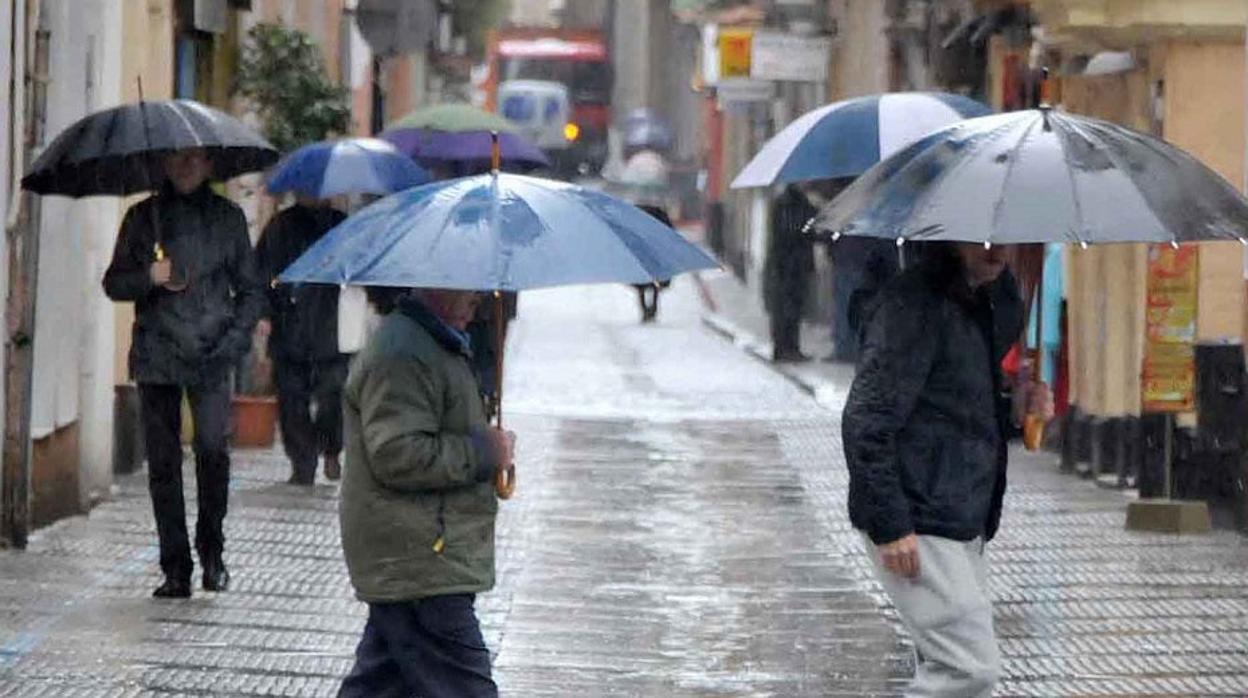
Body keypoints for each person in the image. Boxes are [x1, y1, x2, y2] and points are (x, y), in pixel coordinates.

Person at [841, 241, 1024, 697]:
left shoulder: (977, 301)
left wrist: (1015, 405)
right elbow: (866, 419)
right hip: (921, 514)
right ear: (949, 235)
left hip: (961, 513)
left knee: (962, 672)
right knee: (968, 669)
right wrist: (891, 524)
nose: (997, 248)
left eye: (1003, 235)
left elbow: (956, 407)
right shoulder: (914, 304)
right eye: (980, 234)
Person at [338, 288, 515, 698]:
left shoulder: (431, 344)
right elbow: (398, 454)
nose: (477, 299)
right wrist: (483, 450)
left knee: (381, 683)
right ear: (436, 281)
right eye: (467, 286)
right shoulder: (404, 354)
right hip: (422, 559)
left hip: (418, 558)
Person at [103, 148, 264, 598]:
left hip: (212, 355)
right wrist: (148, 277)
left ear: (210, 165)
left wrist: (232, 343)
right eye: (177, 158)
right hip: (157, 355)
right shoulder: (142, 217)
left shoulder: (228, 220)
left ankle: (212, 551)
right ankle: (175, 567)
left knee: (213, 451)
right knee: (164, 464)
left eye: (195, 159)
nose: (186, 166)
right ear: (165, 164)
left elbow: (251, 291)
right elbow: (114, 282)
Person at [255, 196, 349, 485]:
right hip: (289, 324)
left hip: (330, 326)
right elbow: (261, 273)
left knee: (332, 395)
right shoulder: (279, 227)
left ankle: (331, 448)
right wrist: (263, 311)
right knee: (291, 400)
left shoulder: (341, 226)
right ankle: (302, 462)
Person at [763, 184, 817, 362]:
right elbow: (793, 232)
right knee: (787, 309)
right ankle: (785, 348)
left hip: (792, 265)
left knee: (793, 309)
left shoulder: (798, 203)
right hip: (788, 266)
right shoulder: (788, 204)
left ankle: (790, 347)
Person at [633, 204, 673, 323]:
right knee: (654, 284)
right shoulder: (660, 216)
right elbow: (670, 233)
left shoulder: (637, 216)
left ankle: (646, 310)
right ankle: (652, 309)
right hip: (655, 254)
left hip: (643, 254)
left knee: (642, 286)